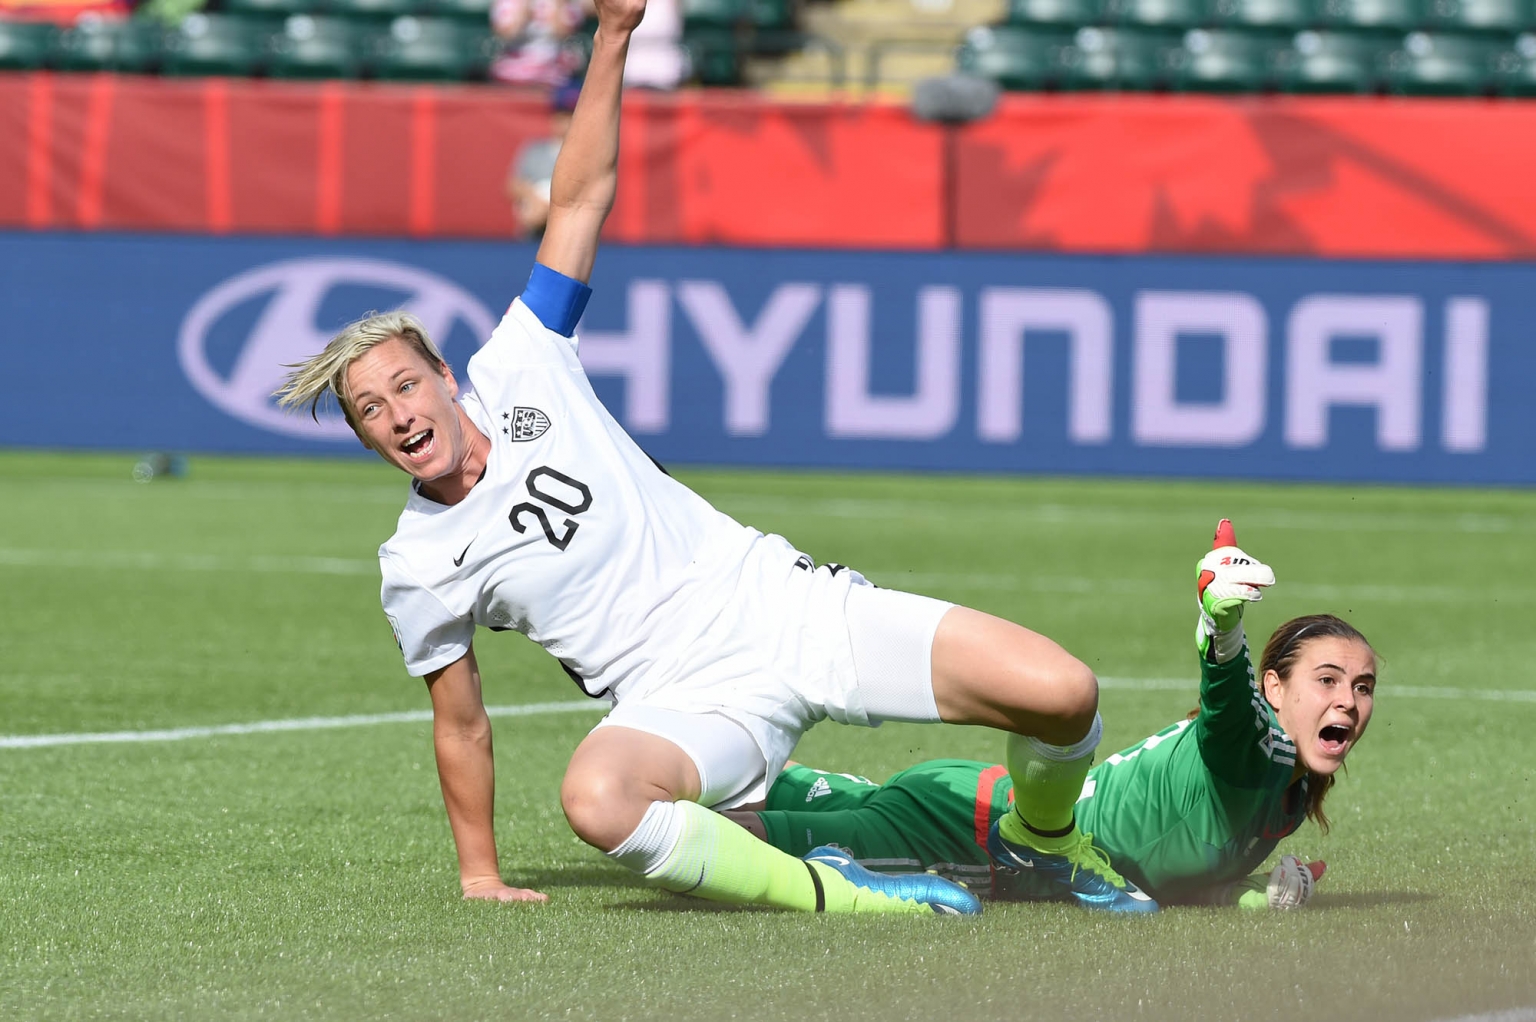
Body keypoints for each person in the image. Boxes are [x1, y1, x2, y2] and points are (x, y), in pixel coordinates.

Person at [274, 0, 1151, 916]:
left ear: (445, 376)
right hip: (683, 701)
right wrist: (479, 876)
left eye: (405, 386)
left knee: (1063, 694)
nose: (398, 415)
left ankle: (1045, 846)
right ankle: (842, 893)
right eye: (371, 410)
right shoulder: (417, 563)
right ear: (366, 437)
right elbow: (461, 725)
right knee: (598, 799)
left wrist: (612, 38)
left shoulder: (526, 361)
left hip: (786, 607)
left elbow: (577, 200)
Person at [727, 521, 1376, 910]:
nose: (1347, 700)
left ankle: (676, 757)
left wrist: (1254, 892)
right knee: (742, 842)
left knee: (744, 781)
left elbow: (1165, 873)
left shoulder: (1288, 792)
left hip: (977, 795)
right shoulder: (1260, 751)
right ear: (1273, 688)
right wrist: (1222, 627)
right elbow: (1226, 701)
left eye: (1362, 686)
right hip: (975, 842)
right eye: (1326, 680)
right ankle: (660, 818)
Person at [506, 81, 580, 241]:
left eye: (570, 117)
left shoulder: (585, 156)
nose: (565, 123)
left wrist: (549, 210)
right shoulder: (535, 150)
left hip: (569, 235)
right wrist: (533, 199)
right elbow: (513, 185)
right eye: (561, 117)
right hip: (533, 230)